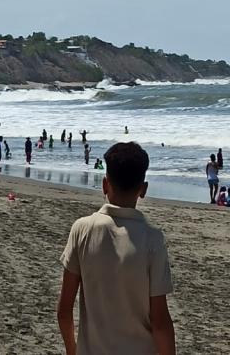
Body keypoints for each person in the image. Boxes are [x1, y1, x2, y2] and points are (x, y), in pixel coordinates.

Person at [57, 142, 175, 355]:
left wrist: (71, 350)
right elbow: (160, 321)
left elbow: (65, 310)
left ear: (105, 184)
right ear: (143, 190)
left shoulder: (83, 229)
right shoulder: (152, 239)